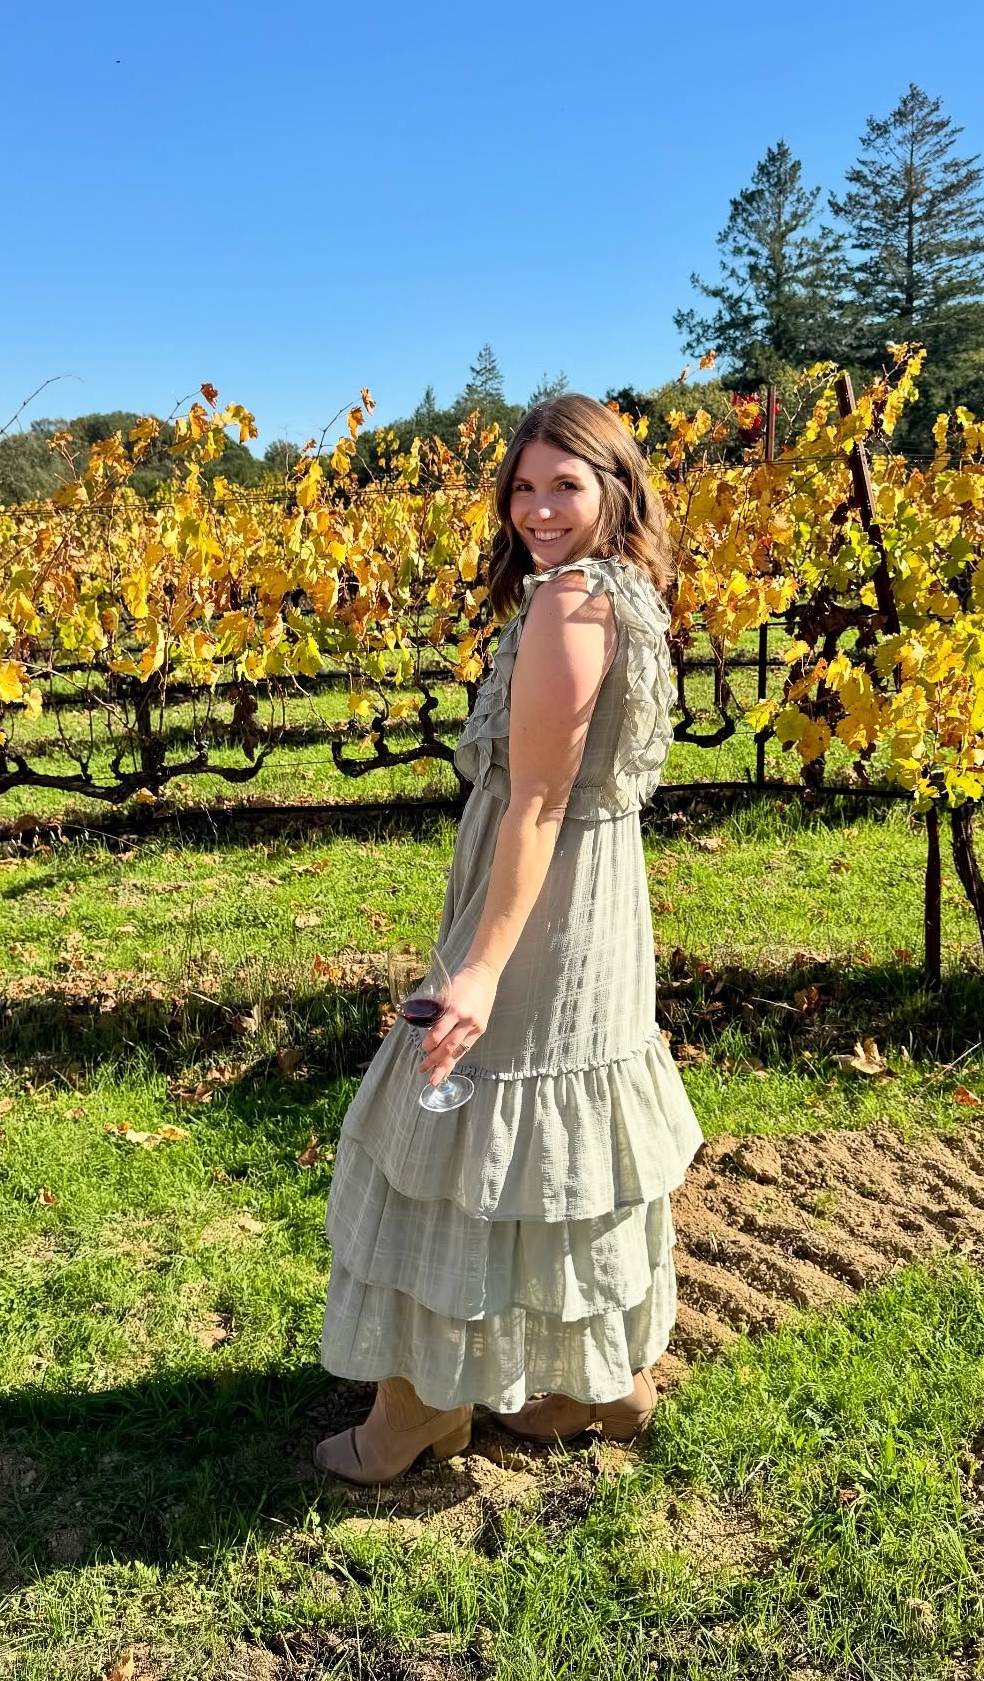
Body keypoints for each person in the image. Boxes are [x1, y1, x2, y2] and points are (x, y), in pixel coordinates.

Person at [315, 392, 705, 1483]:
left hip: (541, 907)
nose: (538, 508)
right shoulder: (623, 592)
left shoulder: (572, 606)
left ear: (615, 490)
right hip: (597, 900)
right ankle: (602, 1385)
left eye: (564, 486)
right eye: (523, 487)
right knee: (566, 1144)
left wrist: (480, 966)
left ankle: (418, 1413)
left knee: (467, 1127)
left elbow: (536, 801)